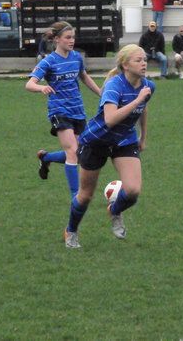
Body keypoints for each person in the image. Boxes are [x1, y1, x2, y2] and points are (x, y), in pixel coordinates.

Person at [64, 44, 155, 248]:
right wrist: (138, 100)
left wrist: (142, 136)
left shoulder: (147, 86)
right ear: (125, 65)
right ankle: (71, 230)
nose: (144, 63)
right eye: (138, 60)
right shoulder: (114, 85)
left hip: (124, 140)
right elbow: (110, 119)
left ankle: (114, 211)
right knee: (85, 195)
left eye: (145, 60)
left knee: (132, 191)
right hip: (97, 140)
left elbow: (143, 108)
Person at [25, 21, 101, 198]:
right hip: (59, 111)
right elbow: (29, 84)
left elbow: (84, 77)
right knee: (72, 152)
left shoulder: (76, 57)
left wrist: (102, 94)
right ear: (57, 39)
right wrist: (41, 88)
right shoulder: (48, 61)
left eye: (73, 37)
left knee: (79, 153)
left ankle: (46, 158)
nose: (72, 40)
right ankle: (76, 197)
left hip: (78, 110)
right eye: (68, 37)